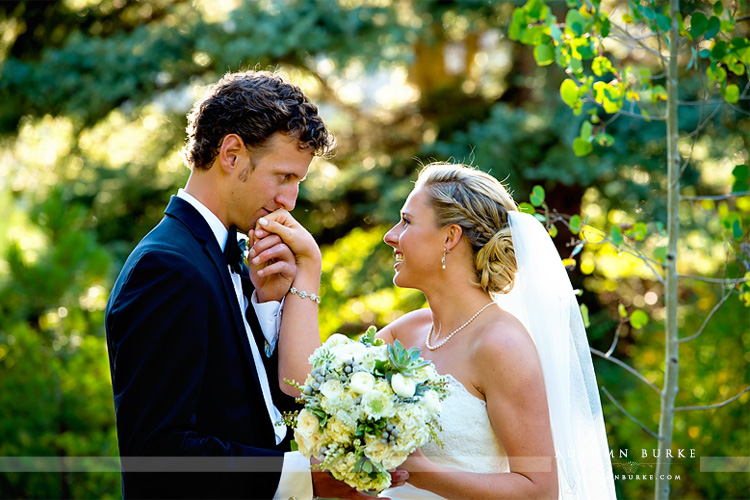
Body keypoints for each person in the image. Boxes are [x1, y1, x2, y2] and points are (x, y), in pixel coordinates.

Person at [105, 70, 406, 499]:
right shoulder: (167, 267)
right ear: (231, 154)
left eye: (297, 182)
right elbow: (157, 451)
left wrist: (268, 306)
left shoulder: (230, 257)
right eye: (284, 176)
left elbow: (249, 409)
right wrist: (307, 478)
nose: (290, 200)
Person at [366, 163, 616, 499]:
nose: (390, 235)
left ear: (450, 237)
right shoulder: (406, 332)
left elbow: (539, 490)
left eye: (407, 221)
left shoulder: (502, 345)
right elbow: (313, 387)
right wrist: (300, 282)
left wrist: (423, 474)